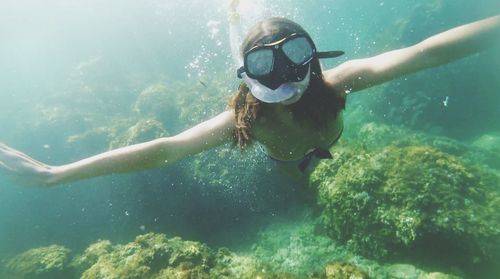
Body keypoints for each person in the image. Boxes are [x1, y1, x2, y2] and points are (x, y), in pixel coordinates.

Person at [0, 14, 499, 187]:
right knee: (295, 172)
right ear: (248, 74)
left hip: (325, 138)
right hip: (285, 158)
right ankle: (302, 174)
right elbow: (166, 148)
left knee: (314, 157)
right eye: (265, 65)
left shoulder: (337, 81)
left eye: (298, 54)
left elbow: (423, 52)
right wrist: (55, 174)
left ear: (313, 56)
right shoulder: (244, 120)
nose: (288, 75)